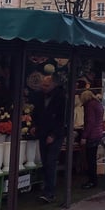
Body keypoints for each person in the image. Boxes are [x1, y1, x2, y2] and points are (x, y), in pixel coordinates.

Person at [31, 73, 66, 203]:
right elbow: (36, 113)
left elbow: (62, 119)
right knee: (45, 162)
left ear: (53, 85)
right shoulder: (40, 96)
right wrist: (34, 125)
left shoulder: (61, 97)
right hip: (42, 132)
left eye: (46, 85)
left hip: (55, 135)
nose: (44, 87)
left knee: (51, 162)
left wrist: (53, 134)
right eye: (43, 85)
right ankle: (46, 188)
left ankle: (49, 192)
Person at [79, 89, 104, 189]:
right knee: (92, 158)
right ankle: (93, 180)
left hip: (92, 135)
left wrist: (84, 136)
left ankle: (92, 181)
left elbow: (90, 122)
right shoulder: (97, 104)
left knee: (90, 159)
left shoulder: (90, 106)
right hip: (98, 133)